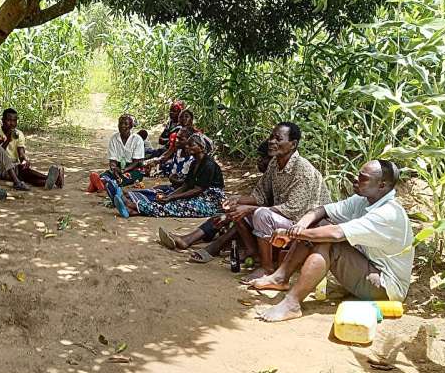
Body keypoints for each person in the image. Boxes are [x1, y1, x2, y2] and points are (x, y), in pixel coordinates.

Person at [250, 160, 413, 322]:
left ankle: (292, 304)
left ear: (382, 185)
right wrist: (300, 226)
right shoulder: (364, 200)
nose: (355, 179)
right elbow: (322, 210)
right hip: (367, 268)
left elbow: (336, 234)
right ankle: (280, 278)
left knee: (328, 242)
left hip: (386, 289)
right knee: (318, 225)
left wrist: (290, 234)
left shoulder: (388, 213)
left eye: (363, 178)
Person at [222, 122, 331, 282]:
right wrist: (236, 200)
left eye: (278, 139)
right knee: (236, 210)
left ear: (293, 144)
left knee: (260, 214)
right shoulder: (274, 163)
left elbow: (294, 209)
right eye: (271, 137)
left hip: (303, 224)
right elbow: (260, 194)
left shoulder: (303, 170)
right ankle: (255, 253)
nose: (272, 142)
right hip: (285, 218)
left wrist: (250, 209)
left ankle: (267, 269)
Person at [158, 141, 272, 263]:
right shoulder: (268, 177)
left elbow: (274, 206)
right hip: (262, 216)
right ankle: (189, 239)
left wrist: (243, 208)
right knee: (224, 215)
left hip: (270, 219)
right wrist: (234, 202)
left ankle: (213, 247)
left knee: (237, 219)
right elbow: (259, 199)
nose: (259, 160)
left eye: (263, 157)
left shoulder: (209, 164)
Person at [112, 133, 224, 219]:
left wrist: (172, 197)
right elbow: (186, 185)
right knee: (170, 202)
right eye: (188, 144)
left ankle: (133, 206)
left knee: (178, 206)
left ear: (202, 147)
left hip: (211, 201)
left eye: (191, 145)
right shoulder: (195, 163)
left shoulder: (208, 164)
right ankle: (134, 210)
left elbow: (197, 189)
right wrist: (170, 196)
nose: (187, 147)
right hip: (200, 195)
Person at [0, 108, 64, 189]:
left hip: (14, 166)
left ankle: (51, 181)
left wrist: (24, 160)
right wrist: (7, 140)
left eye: (14, 120)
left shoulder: (18, 134)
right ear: (3, 120)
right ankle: (52, 179)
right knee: (23, 174)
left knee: (24, 172)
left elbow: (21, 153)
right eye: (9, 120)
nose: (12, 123)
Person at [88, 114, 145, 192]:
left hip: (133, 168)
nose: (122, 126)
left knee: (125, 177)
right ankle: (102, 182)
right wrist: (114, 168)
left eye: (126, 124)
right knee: (108, 174)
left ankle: (100, 184)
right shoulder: (114, 138)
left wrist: (123, 170)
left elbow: (137, 162)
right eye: (120, 123)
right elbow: (112, 160)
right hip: (118, 167)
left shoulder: (137, 139)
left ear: (131, 126)